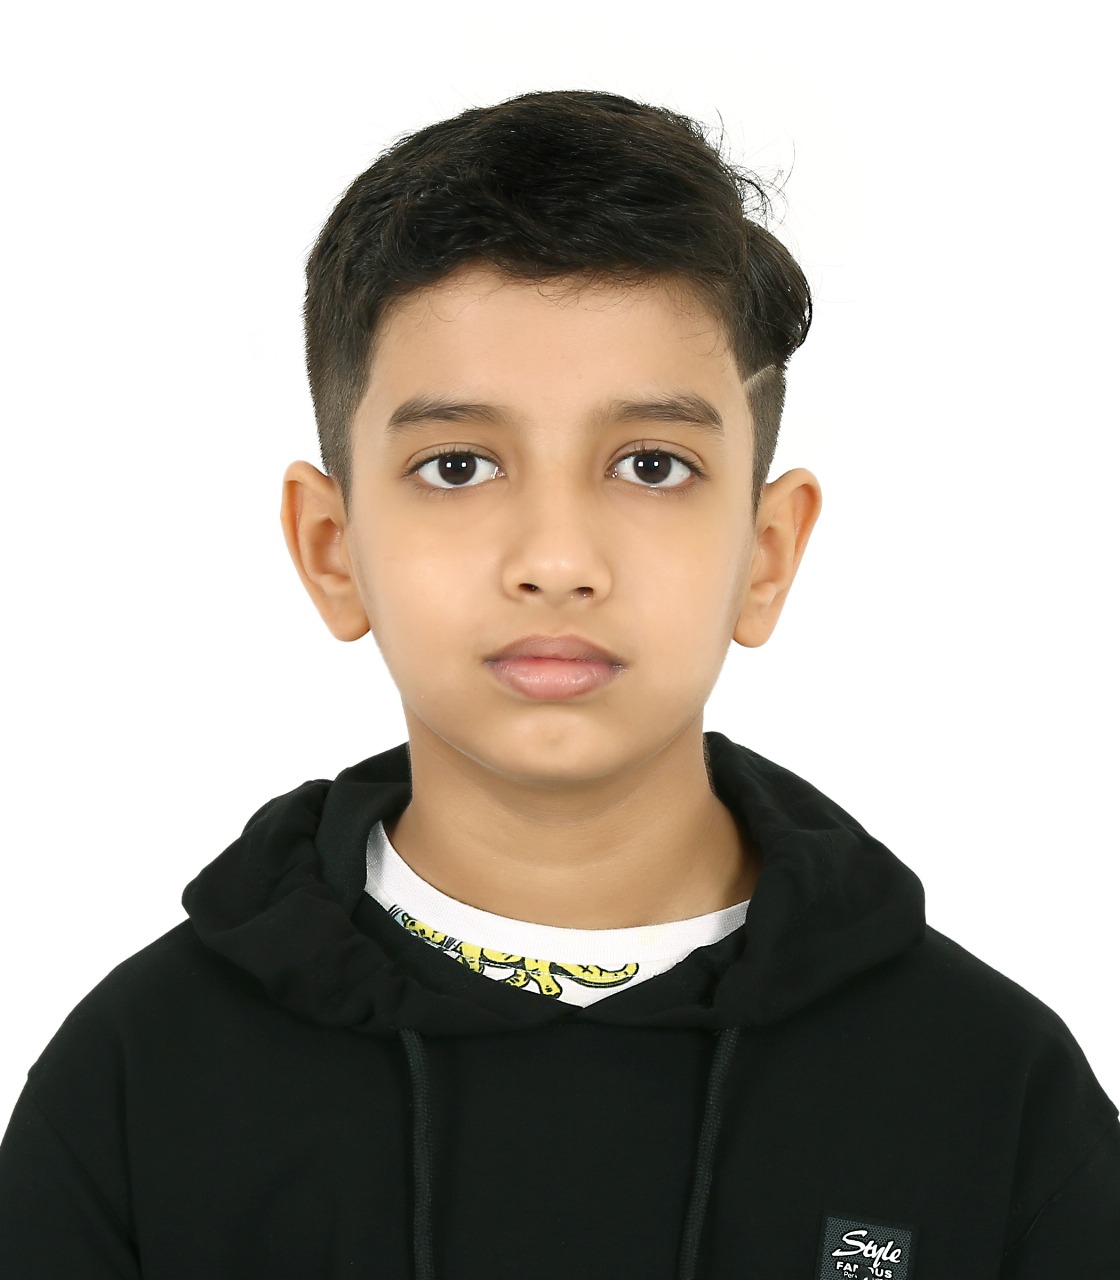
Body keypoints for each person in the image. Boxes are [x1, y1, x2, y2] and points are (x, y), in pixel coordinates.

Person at [0, 88, 1116, 1280]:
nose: (556, 559)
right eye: (458, 464)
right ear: (332, 548)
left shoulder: (990, 1088)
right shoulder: (141, 1080)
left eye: (651, 464)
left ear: (765, 554)